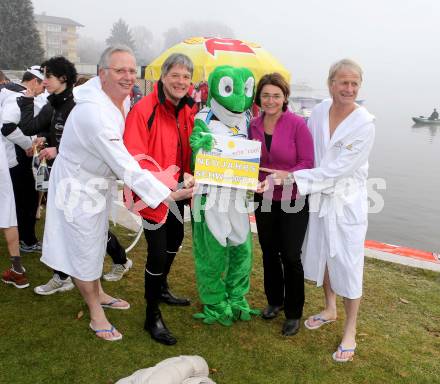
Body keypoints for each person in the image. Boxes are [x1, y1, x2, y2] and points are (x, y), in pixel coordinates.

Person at [40, 45, 185, 341]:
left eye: (132, 70)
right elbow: (125, 165)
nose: (128, 76)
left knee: (95, 243)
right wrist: (167, 193)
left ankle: (100, 292)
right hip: (77, 188)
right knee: (82, 248)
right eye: (120, 70)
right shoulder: (94, 113)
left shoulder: (121, 100)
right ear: (102, 73)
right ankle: (96, 314)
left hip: (97, 184)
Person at [263, 59, 375, 362]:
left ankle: (350, 329)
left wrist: (294, 177)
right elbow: (303, 146)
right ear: (331, 83)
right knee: (324, 254)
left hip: (345, 202)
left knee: (349, 264)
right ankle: (330, 307)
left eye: (354, 83)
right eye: (343, 82)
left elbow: (339, 169)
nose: (348, 89)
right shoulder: (320, 111)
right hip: (319, 200)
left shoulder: (364, 123)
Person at [18, 58, 132, 294]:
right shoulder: (54, 103)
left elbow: (88, 142)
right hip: (63, 173)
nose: (43, 82)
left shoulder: (80, 104)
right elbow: (36, 127)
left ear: (63, 78)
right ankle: (63, 275)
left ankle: (117, 262)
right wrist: (44, 137)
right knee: (64, 224)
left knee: (88, 227)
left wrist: (57, 149)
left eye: (47, 77)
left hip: (86, 178)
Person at [124, 53, 196, 345]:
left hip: (178, 190)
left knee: (176, 239)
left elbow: (191, 147)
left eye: (186, 77)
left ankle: (162, 287)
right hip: (151, 194)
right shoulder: (144, 110)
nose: (181, 82)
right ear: (163, 77)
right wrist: (168, 184)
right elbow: (134, 158)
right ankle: (151, 315)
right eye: (175, 75)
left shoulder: (188, 109)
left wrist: (191, 172)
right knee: (156, 251)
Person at [250, 73, 314, 336]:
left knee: (290, 255)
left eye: (276, 95)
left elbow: (308, 163)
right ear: (259, 98)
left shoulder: (298, 124)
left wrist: (284, 176)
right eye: (265, 95)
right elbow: (247, 161)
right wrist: (248, 179)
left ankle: (294, 312)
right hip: (263, 197)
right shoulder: (252, 125)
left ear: (285, 97)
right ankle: (274, 301)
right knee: (268, 252)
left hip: (293, 199)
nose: (271, 100)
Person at [1, 66, 46, 256]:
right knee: (26, 199)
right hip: (15, 156)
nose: (43, 91)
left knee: (20, 199)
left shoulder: (8, 91)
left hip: (10, 155)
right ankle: (27, 240)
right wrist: (28, 144)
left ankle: (24, 237)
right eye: (42, 86)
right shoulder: (17, 95)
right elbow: (7, 127)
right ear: (34, 82)